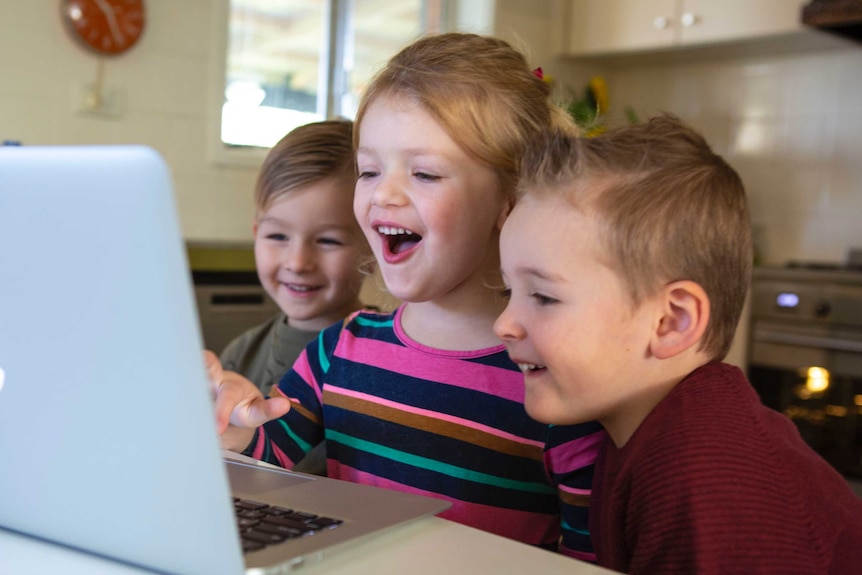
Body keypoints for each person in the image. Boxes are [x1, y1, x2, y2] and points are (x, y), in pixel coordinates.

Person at [208, 32, 605, 560]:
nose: (383, 194)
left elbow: (587, 560)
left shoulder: (558, 390)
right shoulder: (336, 352)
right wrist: (233, 422)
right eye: (369, 171)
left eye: (424, 173)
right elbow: (266, 455)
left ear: (511, 199)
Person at [493, 113, 862, 574]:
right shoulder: (650, 434)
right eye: (509, 292)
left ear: (671, 321)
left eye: (544, 297)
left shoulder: (704, 479)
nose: (504, 324)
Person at [218, 119, 369, 399]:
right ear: (256, 233)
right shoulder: (239, 357)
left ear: (373, 251)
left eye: (328, 241)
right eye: (277, 237)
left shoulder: (390, 360)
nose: (298, 263)